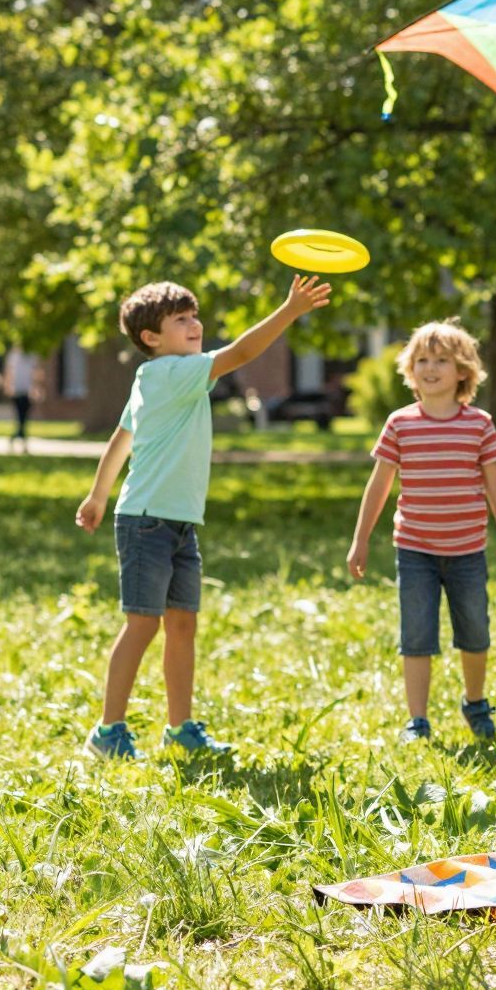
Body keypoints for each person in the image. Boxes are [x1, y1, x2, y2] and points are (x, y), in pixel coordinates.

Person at [75, 275, 333, 759]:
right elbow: (238, 354)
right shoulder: (172, 372)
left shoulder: (154, 378)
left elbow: (122, 437)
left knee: (182, 626)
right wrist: (289, 310)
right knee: (143, 624)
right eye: (181, 320)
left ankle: (180, 728)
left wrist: (97, 495)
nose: (195, 325)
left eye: (194, 316)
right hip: (147, 521)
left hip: (175, 522)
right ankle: (108, 731)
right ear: (151, 338)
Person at [346, 320, 496, 743]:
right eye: (422, 359)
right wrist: (361, 538)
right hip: (415, 549)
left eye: (441, 360)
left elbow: (495, 483)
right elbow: (380, 484)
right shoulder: (400, 423)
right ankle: (417, 720)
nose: (430, 367)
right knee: (416, 635)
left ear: (463, 371)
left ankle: (475, 703)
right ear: (409, 369)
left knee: (475, 631)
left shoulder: (478, 424)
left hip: (467, 550)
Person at [5, 346, 38, 454]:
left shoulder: (32, 355)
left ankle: (16, 439)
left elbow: (35, 373)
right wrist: (8, 386)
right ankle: (22, 443)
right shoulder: (13, 356)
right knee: (20, 418)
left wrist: (35, 389)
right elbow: (9, 372)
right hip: (16, 391)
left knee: (23, 419)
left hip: (27, 391)